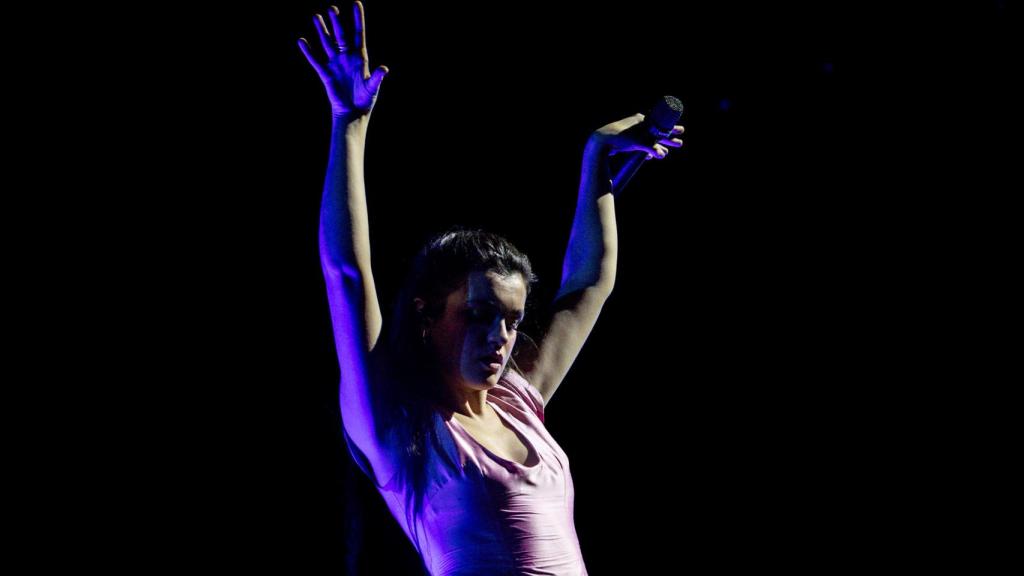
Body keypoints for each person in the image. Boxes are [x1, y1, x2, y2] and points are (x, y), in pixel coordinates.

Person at [298, 3, 684, 574]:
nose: (500, 337)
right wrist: (348, 123)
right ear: (428, 314)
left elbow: (589, 285)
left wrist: (596, 162)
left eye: (510, 319)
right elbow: (347, 277)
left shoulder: (519, 403)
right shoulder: (400, 429)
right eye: (478, 315)